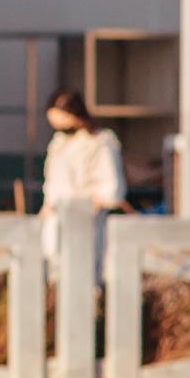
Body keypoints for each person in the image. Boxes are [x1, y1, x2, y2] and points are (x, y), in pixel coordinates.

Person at [39, 88, 127, 262]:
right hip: (55, 219)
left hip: (85, 219)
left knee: (83, 265)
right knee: (54, 265)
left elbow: (111, 187)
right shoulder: (58, 143)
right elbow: (53, 182)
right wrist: (48, 206)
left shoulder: (99, 143)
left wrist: (90, 205)